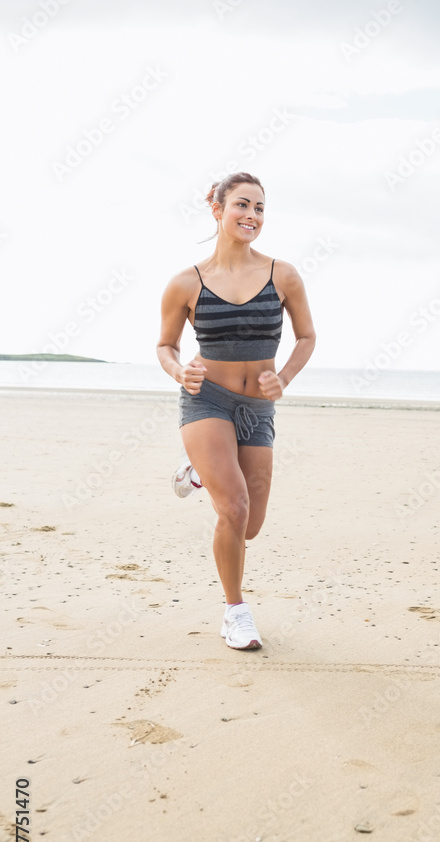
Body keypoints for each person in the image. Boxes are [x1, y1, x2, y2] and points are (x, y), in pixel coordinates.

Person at [157, 172, 316, 650]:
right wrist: (179, 371)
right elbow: (166, 346)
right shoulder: (186, 282)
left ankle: (201, 471)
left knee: (252, 524)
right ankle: (236, 613)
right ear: (218, 209)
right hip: (207, 400)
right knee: (235, 507)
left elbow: (307, 337)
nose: (252, 215)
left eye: (260, 208)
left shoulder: (283, 275)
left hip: (258, 408)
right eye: (242, 205)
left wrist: (283, 378)